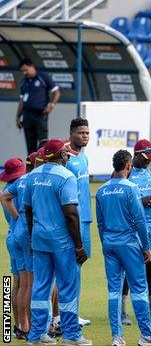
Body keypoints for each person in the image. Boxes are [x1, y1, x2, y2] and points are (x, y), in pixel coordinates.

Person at [23, 139, 91, 345]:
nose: (68, 155)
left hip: (40, 241)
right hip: (62, 243)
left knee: (41, 287)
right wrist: (79, 245)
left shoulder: (32, 176)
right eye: (66, 153)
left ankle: (36, 335)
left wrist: (33, 236)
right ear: (61, 155)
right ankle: (71, 335)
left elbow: (27, 210)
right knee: (68, 287)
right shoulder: (66, 176)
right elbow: (71, 213)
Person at [95, 150, 151, 346]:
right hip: (129, 244)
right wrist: (146, 247)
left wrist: (105, 242)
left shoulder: (101, 190)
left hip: (109, 244)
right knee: (139, 288)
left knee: (114, 291)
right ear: (128, 166)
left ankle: (117, 337)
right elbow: (140, 221)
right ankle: (146, 335)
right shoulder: (131, 188)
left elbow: (100, 223)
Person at [122, 139, 151, 324]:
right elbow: (122, 200)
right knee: (128, 269)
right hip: (132, 227)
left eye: (150, 159)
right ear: (136, 155)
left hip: (150, 226)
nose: (148, 161)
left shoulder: (148, 172)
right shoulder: (127, 173)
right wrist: (142, 201)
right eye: (145, 158)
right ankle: (122, 311)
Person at [64, 118, 92, 328]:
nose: (85, 136)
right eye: (81, 133)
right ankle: (64, 316)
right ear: (72, 133)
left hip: (86, 220)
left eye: (87, 133)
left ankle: (73, 312)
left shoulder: (84, 157)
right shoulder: (64, 157)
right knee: (68, 268)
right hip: (72, 221)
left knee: (77, 267)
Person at [0, 158, 27, 339]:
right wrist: (19, 219)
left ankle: (15, 327)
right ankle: (27, 328)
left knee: (15, 283)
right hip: (22, 234)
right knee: (28, 284)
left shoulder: (5, 190)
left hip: (11, 236)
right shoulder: (22, 187)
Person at [15, 58, 60, 154]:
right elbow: (22, 101)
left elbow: (56, 92)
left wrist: (51, 105)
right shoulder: (24, 82)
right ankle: (31, 167)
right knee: (30, 145)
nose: (24, 73)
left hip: (40, 115)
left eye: (26, 70)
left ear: (32, 66)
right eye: (22, 71)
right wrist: (18, 117)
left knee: (43, 143)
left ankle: (43, 165)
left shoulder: (43, 77)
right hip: (27, 116)